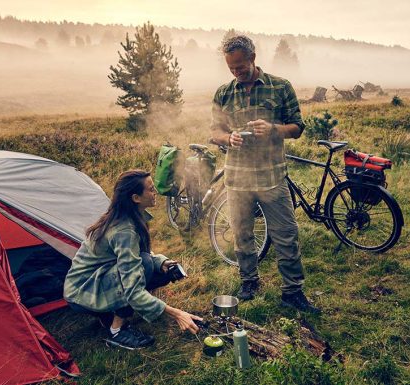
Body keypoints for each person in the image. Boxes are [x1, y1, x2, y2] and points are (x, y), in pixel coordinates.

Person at [209, 34, 320, 314]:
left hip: (272, 176)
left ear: (253, 58)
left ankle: (292, 292)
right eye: (231, 68)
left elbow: (297, 127)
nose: (236, 73)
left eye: (241, 67)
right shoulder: (223, 93)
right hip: (237, 178)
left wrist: (273, 129)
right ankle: (249, 282)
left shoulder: (280, 87)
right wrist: (228, 138)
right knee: (242, 234)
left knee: (286, 235)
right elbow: (215, 132)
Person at [63, 170, 203, 350]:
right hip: (82, 291)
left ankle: (107, 314)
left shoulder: (130, 216)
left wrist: (160, 262)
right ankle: (117, 331)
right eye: (151, 190)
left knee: (155, 267)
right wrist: (177, 314)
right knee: (144, 266)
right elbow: (133, 289)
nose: (156, 193)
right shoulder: (124, 231)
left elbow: (135, 254)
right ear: (136, 198)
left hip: (95, 280)